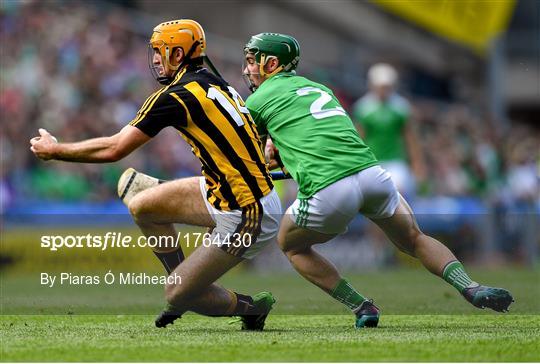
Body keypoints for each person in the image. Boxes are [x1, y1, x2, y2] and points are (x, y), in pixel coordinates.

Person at [242, 33, 513, 328]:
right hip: (373, 175)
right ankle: (470, 286)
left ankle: (362, 307)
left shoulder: (257, 99)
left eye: (252, 61)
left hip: (329, 188)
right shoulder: (320, 88)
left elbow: (242, 153)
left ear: (271, 63)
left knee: (291, 245)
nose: (246, 69)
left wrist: (270, 156)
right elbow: (314, 134)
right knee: (414, 238)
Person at [30, 19, 281, 331]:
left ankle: (246, 307)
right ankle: (187, 285)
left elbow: (114, 149)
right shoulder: (220, 84)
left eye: (160, 52)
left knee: (178, 293)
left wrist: (56, 150)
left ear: (178, 54)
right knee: (143, 207)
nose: (155, 60)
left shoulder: (174, 96)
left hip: (249, 213)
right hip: (224, 190)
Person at [352, 63, 426, 199]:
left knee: (398, 196)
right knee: (371, 201)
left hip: (395, 161)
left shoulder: (401, 108)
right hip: (371, 162)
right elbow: (359, 138)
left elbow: (410, 139)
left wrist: (417, 165)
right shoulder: (363, 108)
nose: (384, 90)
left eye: (387, 86)